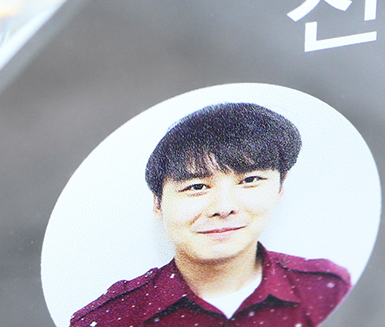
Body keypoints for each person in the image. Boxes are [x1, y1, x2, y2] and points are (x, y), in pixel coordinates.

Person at [69, 102, 351, 327]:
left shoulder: (327, 288)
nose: (223, 207)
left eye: (250, 180)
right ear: (157, 203)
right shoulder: (108, 319)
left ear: (280, 188)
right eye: (197, 186)